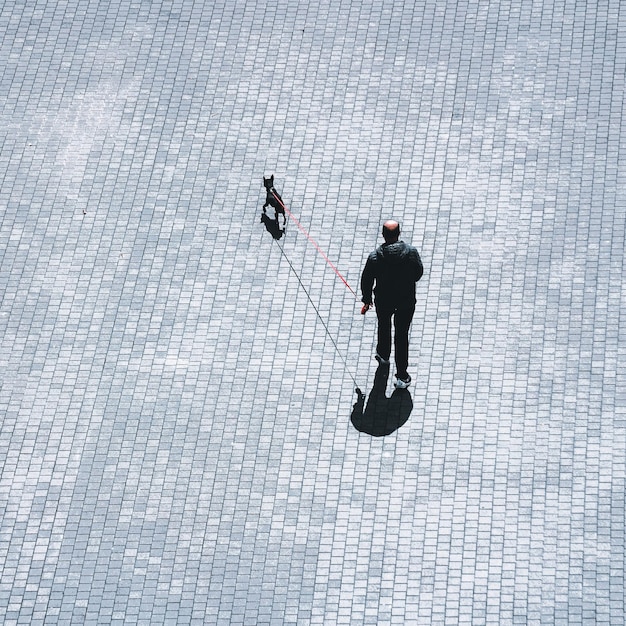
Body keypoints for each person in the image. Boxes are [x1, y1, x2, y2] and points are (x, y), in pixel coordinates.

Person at [360, 220, 424, 388]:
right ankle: (402, 375)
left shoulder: (375, 257)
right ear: (399, 233)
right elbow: (418, 273)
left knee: (384, 325)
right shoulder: (411, 252)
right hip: (406, 301)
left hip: (384, 300)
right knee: (402, 335)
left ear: (383, 235)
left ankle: (383, 354)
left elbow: (366, 280)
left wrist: (367, 299)